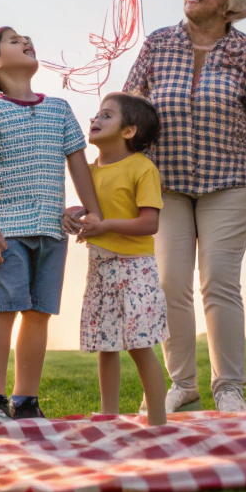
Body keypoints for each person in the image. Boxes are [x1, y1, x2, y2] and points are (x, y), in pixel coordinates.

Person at [123, 0, 246, 414]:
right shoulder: (158, 44)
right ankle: (183, 385)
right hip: (164, 184)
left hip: (231, 181)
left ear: (232, 5)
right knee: (170, 282)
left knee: (219, 282)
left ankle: (230, 388)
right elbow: (130, 108)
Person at [0, 27, 102, 420]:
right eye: (13, 40)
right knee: (4, 309)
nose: (26, 40)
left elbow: (78, 165)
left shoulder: (59, 109)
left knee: (39, 313)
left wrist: (94, 213)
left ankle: (26, 399)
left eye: (25, 37)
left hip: (52, 232)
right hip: (8, 231)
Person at [65, 92, 169, 426]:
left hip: (134, 268)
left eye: (106, 115)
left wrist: (104, 225)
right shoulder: (90, 171)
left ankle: (157, 421)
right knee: (106, 344)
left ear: (128, 131)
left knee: (140, 345)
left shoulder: (142, 168)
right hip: (101, 266)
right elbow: (93, 208)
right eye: (96, 114)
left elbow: (149, 223)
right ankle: (108, 417)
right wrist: (73, 212)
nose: (94, 119)